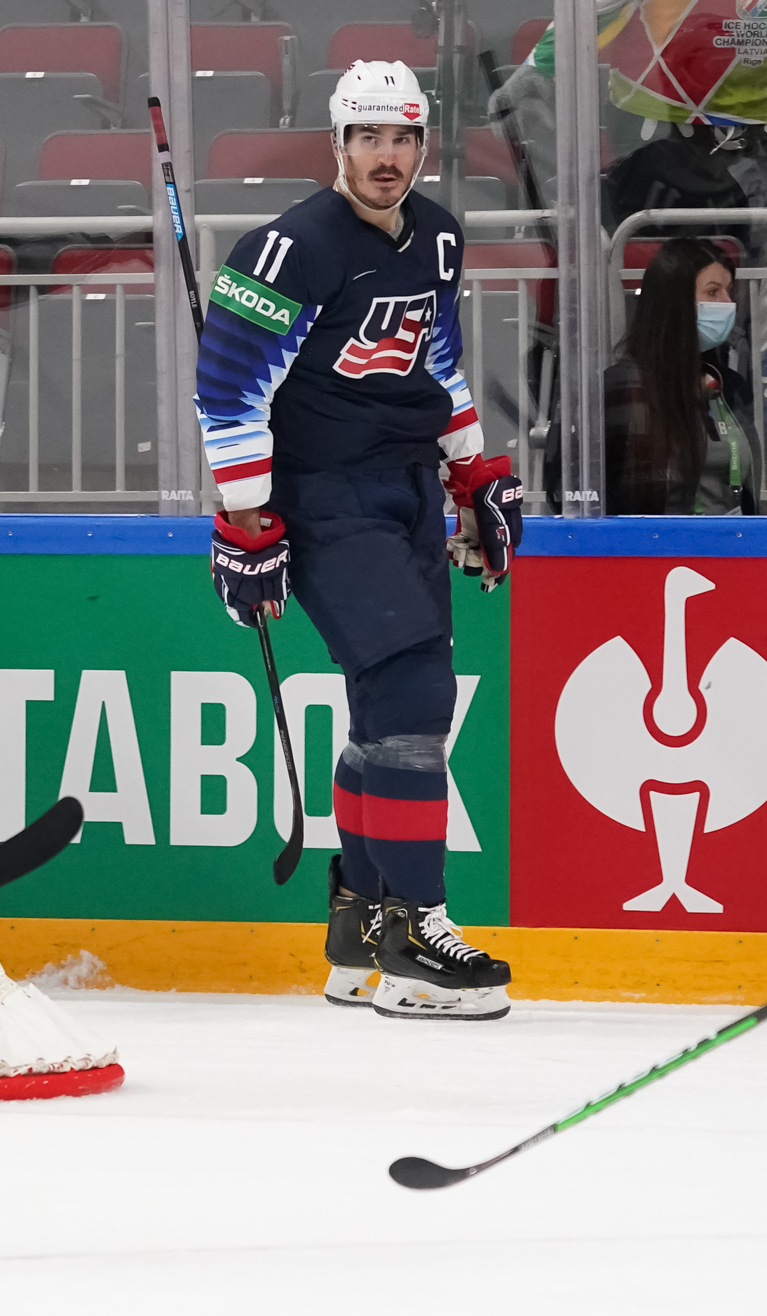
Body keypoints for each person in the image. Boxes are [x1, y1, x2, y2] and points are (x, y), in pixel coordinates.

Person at [195, 62, 526, 1022]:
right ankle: (420, 931)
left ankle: (359, 923)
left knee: (386, 705)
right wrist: (249, 524)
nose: (387, 156)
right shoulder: (284, 249)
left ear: (423, 145)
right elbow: (229, 392)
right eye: (368, 137)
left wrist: (471, 473)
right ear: (336, 144)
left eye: (403, 138)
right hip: (323, 493)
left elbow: (441, 360)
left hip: (409, 487)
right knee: (417, 690)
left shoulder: (440, 235)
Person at [605, 236, 758, 514]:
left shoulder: (729, 386)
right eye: (713, 293)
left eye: (729, 291)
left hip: (734, 549)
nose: (727, 303)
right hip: (657, 550)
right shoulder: (624, 387)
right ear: (674, 302)